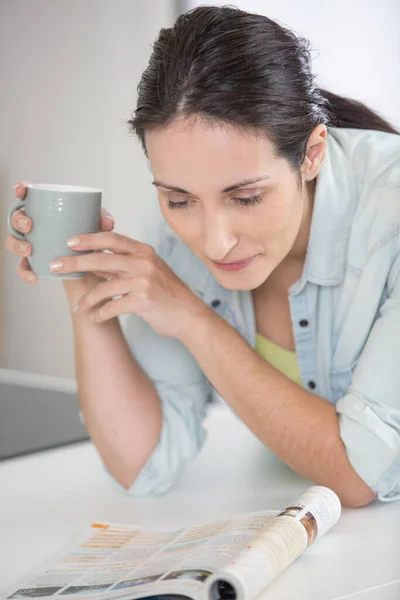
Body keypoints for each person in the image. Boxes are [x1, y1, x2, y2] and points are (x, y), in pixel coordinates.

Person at [4, 6, 400, 508]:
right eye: (179, 199)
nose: (213, 243)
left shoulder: (391, 219)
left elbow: (359, 475)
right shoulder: (172, 240)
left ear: (312, 153)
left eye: (246, 198)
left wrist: (193, 320)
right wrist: (83, 282)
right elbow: (144, 463)